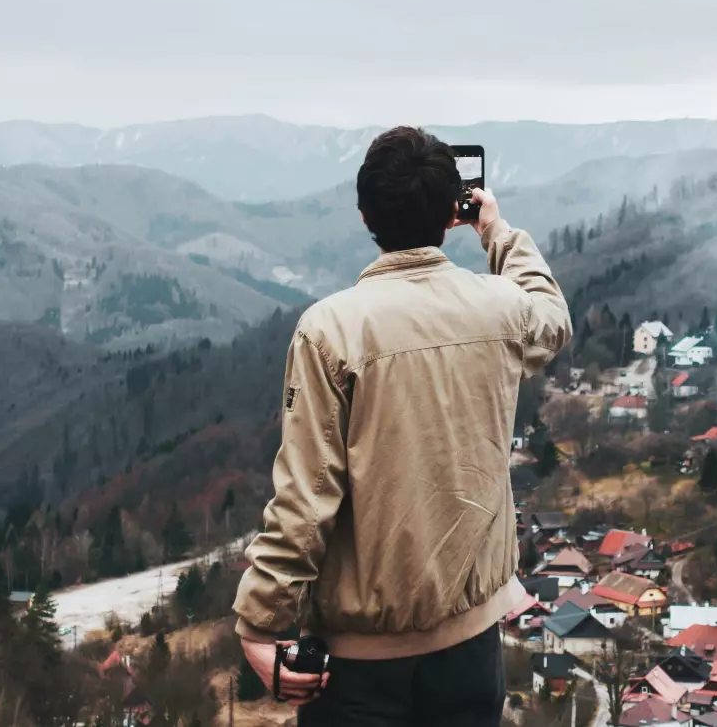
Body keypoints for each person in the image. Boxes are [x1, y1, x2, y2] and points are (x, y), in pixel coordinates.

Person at [233, 126, 572, 726]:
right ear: (450, 215)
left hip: (360, 667)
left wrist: (262, 622)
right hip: (471, 653)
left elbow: (306, 495)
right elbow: (551, 317)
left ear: (365, 214)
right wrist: (493, 228)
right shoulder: (499, 308)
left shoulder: (330, 330)